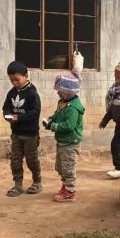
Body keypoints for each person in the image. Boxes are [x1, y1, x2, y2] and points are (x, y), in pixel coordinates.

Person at [43, 63, 85, 202]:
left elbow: (69, 125)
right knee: (60, 167)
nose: (58, 92)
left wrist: (53, 126)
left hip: (70, 143)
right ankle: (65, 186)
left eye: (59, 90)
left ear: (67, 91)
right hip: (62, 142)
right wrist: (51, 120)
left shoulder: (73, 108)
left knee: (68, 167)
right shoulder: (63, 102)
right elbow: (57, 114)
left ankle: (70, 191)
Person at [3, 61, 42, 196]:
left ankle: (37, 182)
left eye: (17, 79)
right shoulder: (11, 93)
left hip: (30, 135)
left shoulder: (32, 93)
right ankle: (18, 185)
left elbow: (35, 112)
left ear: (26, 76)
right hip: (16, 134)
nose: (14, 82)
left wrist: (18, 118)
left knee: (32, 159)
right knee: (15, 160)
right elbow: (6, 108)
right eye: (11, 80)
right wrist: (7, 116)